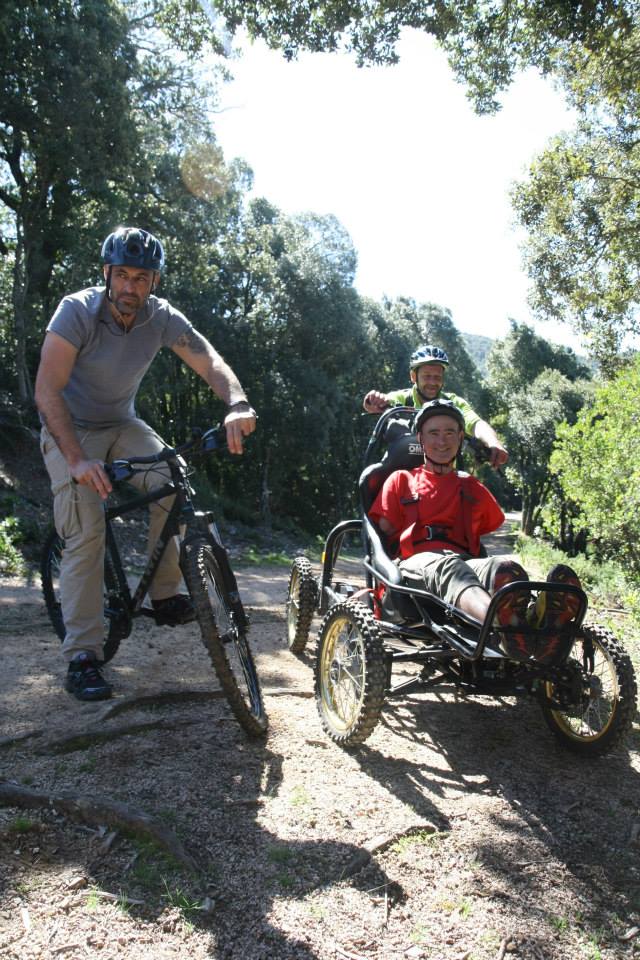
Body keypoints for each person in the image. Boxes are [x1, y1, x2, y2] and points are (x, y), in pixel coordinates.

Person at [34, 226, 257, 702]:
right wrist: (76, 460)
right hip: (70, 430)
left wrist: (237, 403)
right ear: (106, 274)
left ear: (153, 281)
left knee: (171, 479)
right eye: (122, 275)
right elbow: (46, 390)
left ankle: (164, 592)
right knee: (87, 529)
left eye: (141, 277)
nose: (130, 287)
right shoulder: (76, 311)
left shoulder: (160, 317)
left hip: (122, 423)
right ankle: (83, 656)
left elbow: (208, 361)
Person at [368, 399, 582, 663]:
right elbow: (384, 532)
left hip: (464, 562)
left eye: (450, 433)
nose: (442, 441)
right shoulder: (401, 479)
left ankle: (536, 623)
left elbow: (489, 525)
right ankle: (504, 629)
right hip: (415, 565)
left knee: (505, 569)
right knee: (451, 568)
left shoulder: (470, 486)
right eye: (434, 433)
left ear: (460, 438)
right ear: (420, 439)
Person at [362, 343, 508, 469]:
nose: (432, 382)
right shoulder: (403, 399)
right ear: (414, 377)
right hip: (402, 477)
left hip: (445, 481)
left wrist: (493, 442)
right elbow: (378, 403)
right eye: (427, 376)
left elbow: (476, 424)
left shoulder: (453, 403)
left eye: (437, 377)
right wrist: (373, 401)